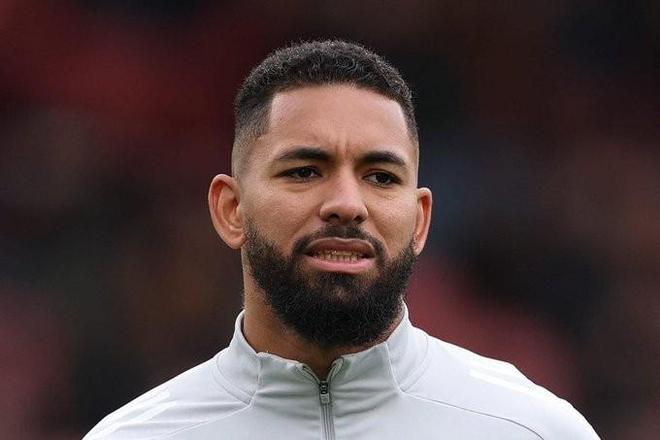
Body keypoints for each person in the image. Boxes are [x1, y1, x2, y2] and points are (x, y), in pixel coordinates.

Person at [84, 40, 599, 439]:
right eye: (305, 171)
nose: (348, 204)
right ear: (231, 209)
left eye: (381, 177)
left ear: (420, 221)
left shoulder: (532, 429)